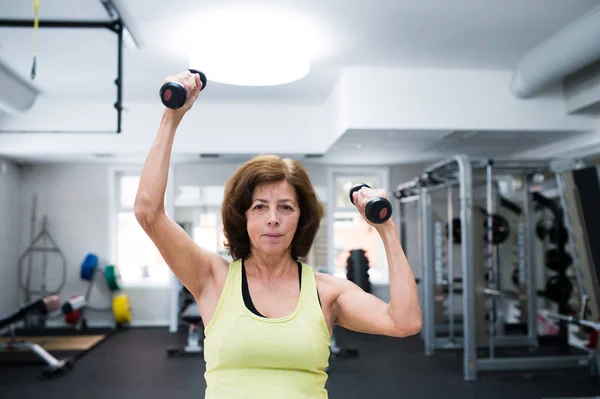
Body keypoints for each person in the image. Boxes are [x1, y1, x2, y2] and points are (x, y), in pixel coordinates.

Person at [134, 71, 422, 398]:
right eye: (259, 207)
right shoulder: (211, 278)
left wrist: (386, 230)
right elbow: (148, 213)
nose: (273, 219)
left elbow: (405, 321)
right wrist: (171, 118)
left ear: (302, 219)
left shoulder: (326, 293)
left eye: (286, 207)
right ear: (241, 217)